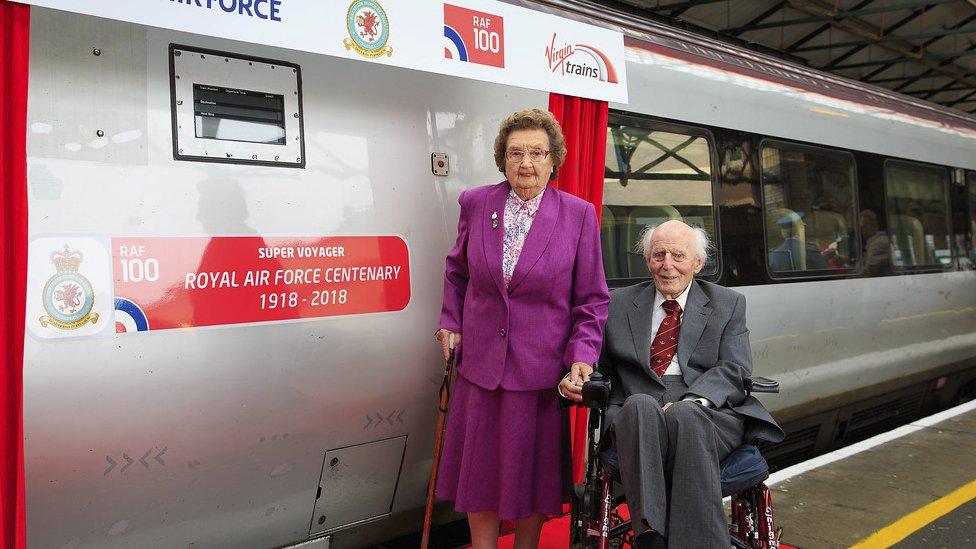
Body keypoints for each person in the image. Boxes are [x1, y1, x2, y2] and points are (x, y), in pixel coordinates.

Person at [434, 108, 610, 548]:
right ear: (502, 158)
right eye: (516, 153)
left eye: (537, 152)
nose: (526, 163)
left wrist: (581, 359)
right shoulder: (476, 203)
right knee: (480, 475)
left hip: (539, 374)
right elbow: (457, 272)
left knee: (529, 480)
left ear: (554, 160)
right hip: (480, 370)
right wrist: (450, 322)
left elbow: (591, 300)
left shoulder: (577, 215)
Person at [564, 220, 784, 549]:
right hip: (639, 418)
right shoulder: (618, 302)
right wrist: (576, 377)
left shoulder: (728, 303)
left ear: (697, 263)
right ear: (647, 260)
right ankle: (651, 537)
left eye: (678, 255)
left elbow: (735, 367)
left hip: (709, 415)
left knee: (685, 415)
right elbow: (598, 365)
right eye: (659, 255)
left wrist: (694, 400)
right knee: (639, 405)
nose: (667, 265)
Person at [859, 209, 893, 275]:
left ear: (870, 225)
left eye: (862, 227)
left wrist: (850, 276)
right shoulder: (873, 242)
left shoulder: (880, 243)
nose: (861, 230)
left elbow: (870, 269)